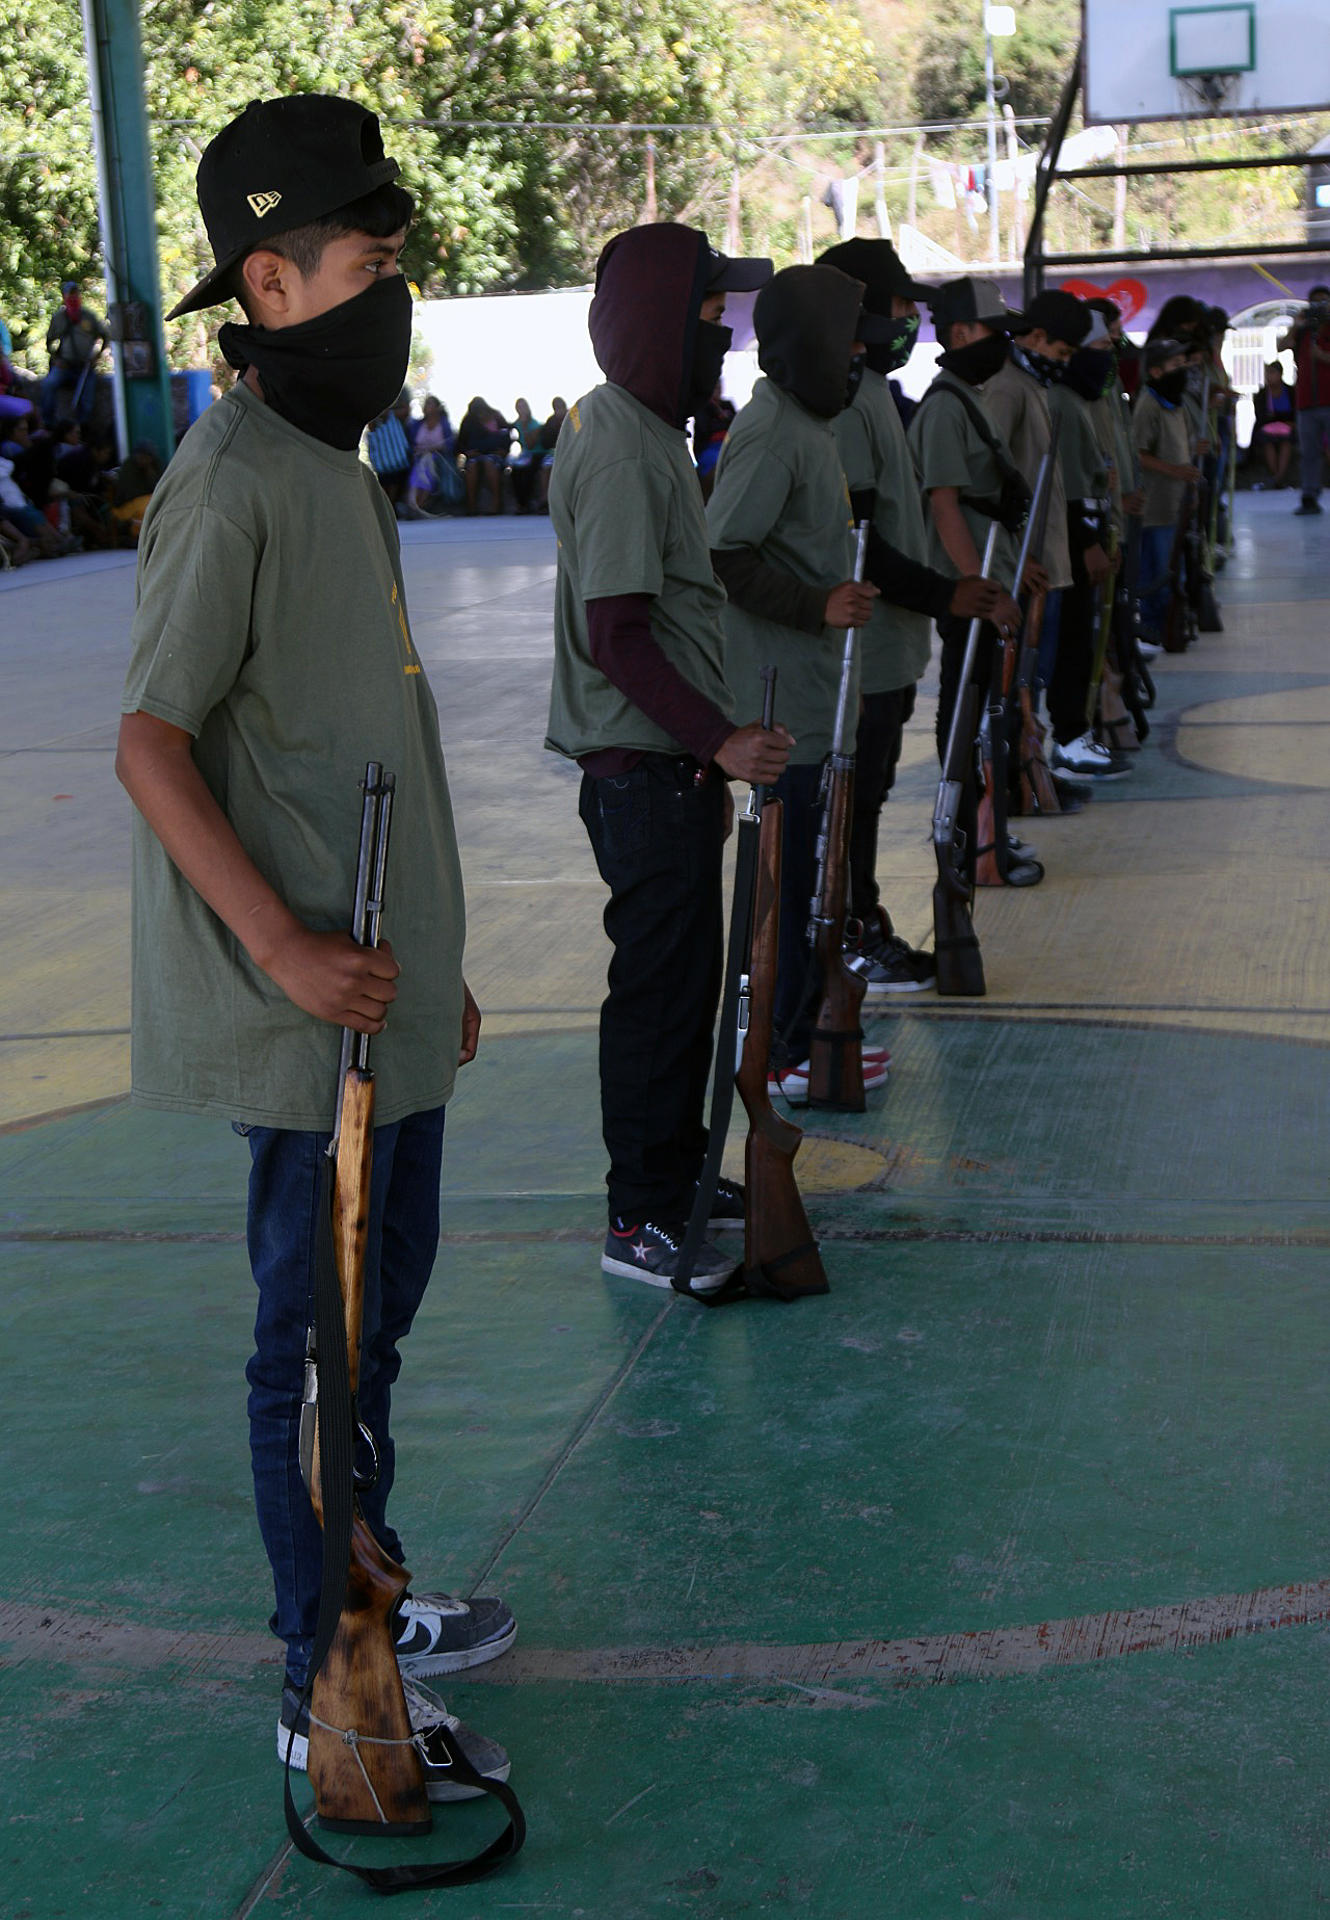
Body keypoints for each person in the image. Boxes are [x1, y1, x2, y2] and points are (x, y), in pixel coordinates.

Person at [113, 94, 514, 1798]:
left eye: (399, 264)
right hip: (305, 1024)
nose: (391, 294)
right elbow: (150, 740)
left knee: (376, 1322)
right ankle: (315, 1670)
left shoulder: (330, 468)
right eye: (367, 264)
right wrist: (278, 943)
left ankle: (370, 1579)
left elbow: (371, 742)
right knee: (311, 1345)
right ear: (268, 287)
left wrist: (439, 963)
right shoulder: (227, 484)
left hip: (385, 1000)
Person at [545, 222, 790, 1289]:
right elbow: (618, 630)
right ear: (655, 322)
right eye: (707, 318)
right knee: (655, 995)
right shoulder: (613, 442)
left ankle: (678, 1170)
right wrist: (718, 738)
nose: (723, 338)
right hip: (644, 770)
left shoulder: (651, 432)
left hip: (673, 766)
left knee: (689, 987)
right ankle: (639, 1215)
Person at [708, 263, 897, 1106]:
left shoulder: (813, 427)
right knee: (788, 896)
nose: (856, 359)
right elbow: (725, 556)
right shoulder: (772, 431)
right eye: (845, 344)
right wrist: (817, 602)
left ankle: (801, 1025)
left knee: (817, 888)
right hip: (783, 709)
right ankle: (781, 1047)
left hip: (822, 701)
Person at [816, 236, 999, 988]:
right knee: (850, 801)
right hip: (861, 652)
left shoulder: (876, 398)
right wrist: (946, 592)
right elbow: (861, 546)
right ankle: (846, 929)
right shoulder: (844, 404)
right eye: (897, 308)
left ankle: (862, 914)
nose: (907, 323)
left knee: (872, 793)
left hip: (891, 649)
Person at [907, 277, 1026, 888]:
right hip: (968, 590)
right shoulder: (944, 407)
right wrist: (981, 586)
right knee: (965, 716)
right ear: (958, 335)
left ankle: (987, 829)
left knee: (988, 714)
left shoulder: (969, 397)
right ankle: (963, 838)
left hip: (990, 579)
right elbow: (945, 506)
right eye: (992, 331)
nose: (1002, 344)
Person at [1132, 336, 1200, 645]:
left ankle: (1175, 622)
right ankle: (1153, 628)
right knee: (1156, 573)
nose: (1183, 370)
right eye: (1176, 365)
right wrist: (1175, 471)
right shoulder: (1148, 405)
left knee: (1175, 570)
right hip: (1155, 508)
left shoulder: (1179, 405)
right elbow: (1139, 453)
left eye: (1183, 364)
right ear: (1157, 372)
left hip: (1177, 504)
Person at [1278, 287, 1330, 515]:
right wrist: (1295, 325)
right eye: (1315, 303)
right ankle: (1309, 496)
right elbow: (1281, 347)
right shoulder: (1302, 331)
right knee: (1309, 452)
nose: (1319, 307)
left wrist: (1324, 357)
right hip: (1306, 402)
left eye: (1323, 303)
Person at [41, 280, 107, 428]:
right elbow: (49, 342)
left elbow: (105, 336)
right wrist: (56, 359)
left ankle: (82, 429)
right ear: (64, 297)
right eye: (70, 294)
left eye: (75, 293)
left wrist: (98, 355)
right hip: (65, 365)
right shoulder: (58, 318)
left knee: (87, 400)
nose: (73, 297)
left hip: (85, 367)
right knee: (48, 385)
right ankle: (48, 424)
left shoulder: (89, 316)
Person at [456, 397, 511, 514]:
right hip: (475, 455)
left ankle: (496, 504)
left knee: (489, 463)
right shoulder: (468, 421)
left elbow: (507, 434)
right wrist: (467, 452)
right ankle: (471, 505)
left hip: (494, 455)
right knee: (471, 466)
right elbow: (460, 442)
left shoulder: (496, 416)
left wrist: (504, 450)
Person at [1251, 360, 1296, 489]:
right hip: (1267, 430)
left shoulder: (1291, 392)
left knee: (1286, 442)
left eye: (1272, 373)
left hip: (1287, 429)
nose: (1269, 376)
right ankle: (1276, 477)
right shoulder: (1261, 395)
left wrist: (1284, 420)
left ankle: (1278, 478)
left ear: (1280, 374)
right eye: (1267, 373)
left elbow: (1294, 414)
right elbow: (1260, 416)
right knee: (1267, 442)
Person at [507, 397, 544, 512]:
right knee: (515, 472)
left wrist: (524, 426)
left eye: (523, 407)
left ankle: (528, 503)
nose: (521, 410)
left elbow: (530, 444)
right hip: (525, 455)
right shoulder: (515, 424)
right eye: (519, 407)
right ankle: (520, 504)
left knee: (529, 472)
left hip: (538, 453)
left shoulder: (535, 424)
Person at [536, 395, 567, 509]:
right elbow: (545, 442)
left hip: (570, 453)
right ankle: (545, 498)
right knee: (546, 467)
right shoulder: (551, 421)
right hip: (554, 453)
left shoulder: (573, 418)